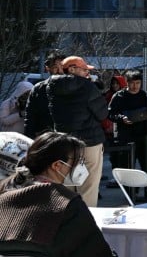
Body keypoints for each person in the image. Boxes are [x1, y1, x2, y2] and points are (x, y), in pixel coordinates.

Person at [24, 56, 108, 207]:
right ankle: (87, 223)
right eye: (84, 70)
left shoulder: (50, 86)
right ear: (72, 69)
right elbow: (102, 114)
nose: (86, 73)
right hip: (90, 142)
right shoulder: (88, 87)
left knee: (65, 186)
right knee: (88, 187)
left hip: (64, 144)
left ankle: (68, 220)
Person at [108, 69, 147, 184]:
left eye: (138, 83)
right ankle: (131, 193)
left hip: (144, 136)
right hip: (126, 136)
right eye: (132, 83)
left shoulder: (146, 96)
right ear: (127, 82)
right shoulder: (119, 96)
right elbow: (111, 114)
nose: (135, 86)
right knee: (127, 166)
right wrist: (122, 118)